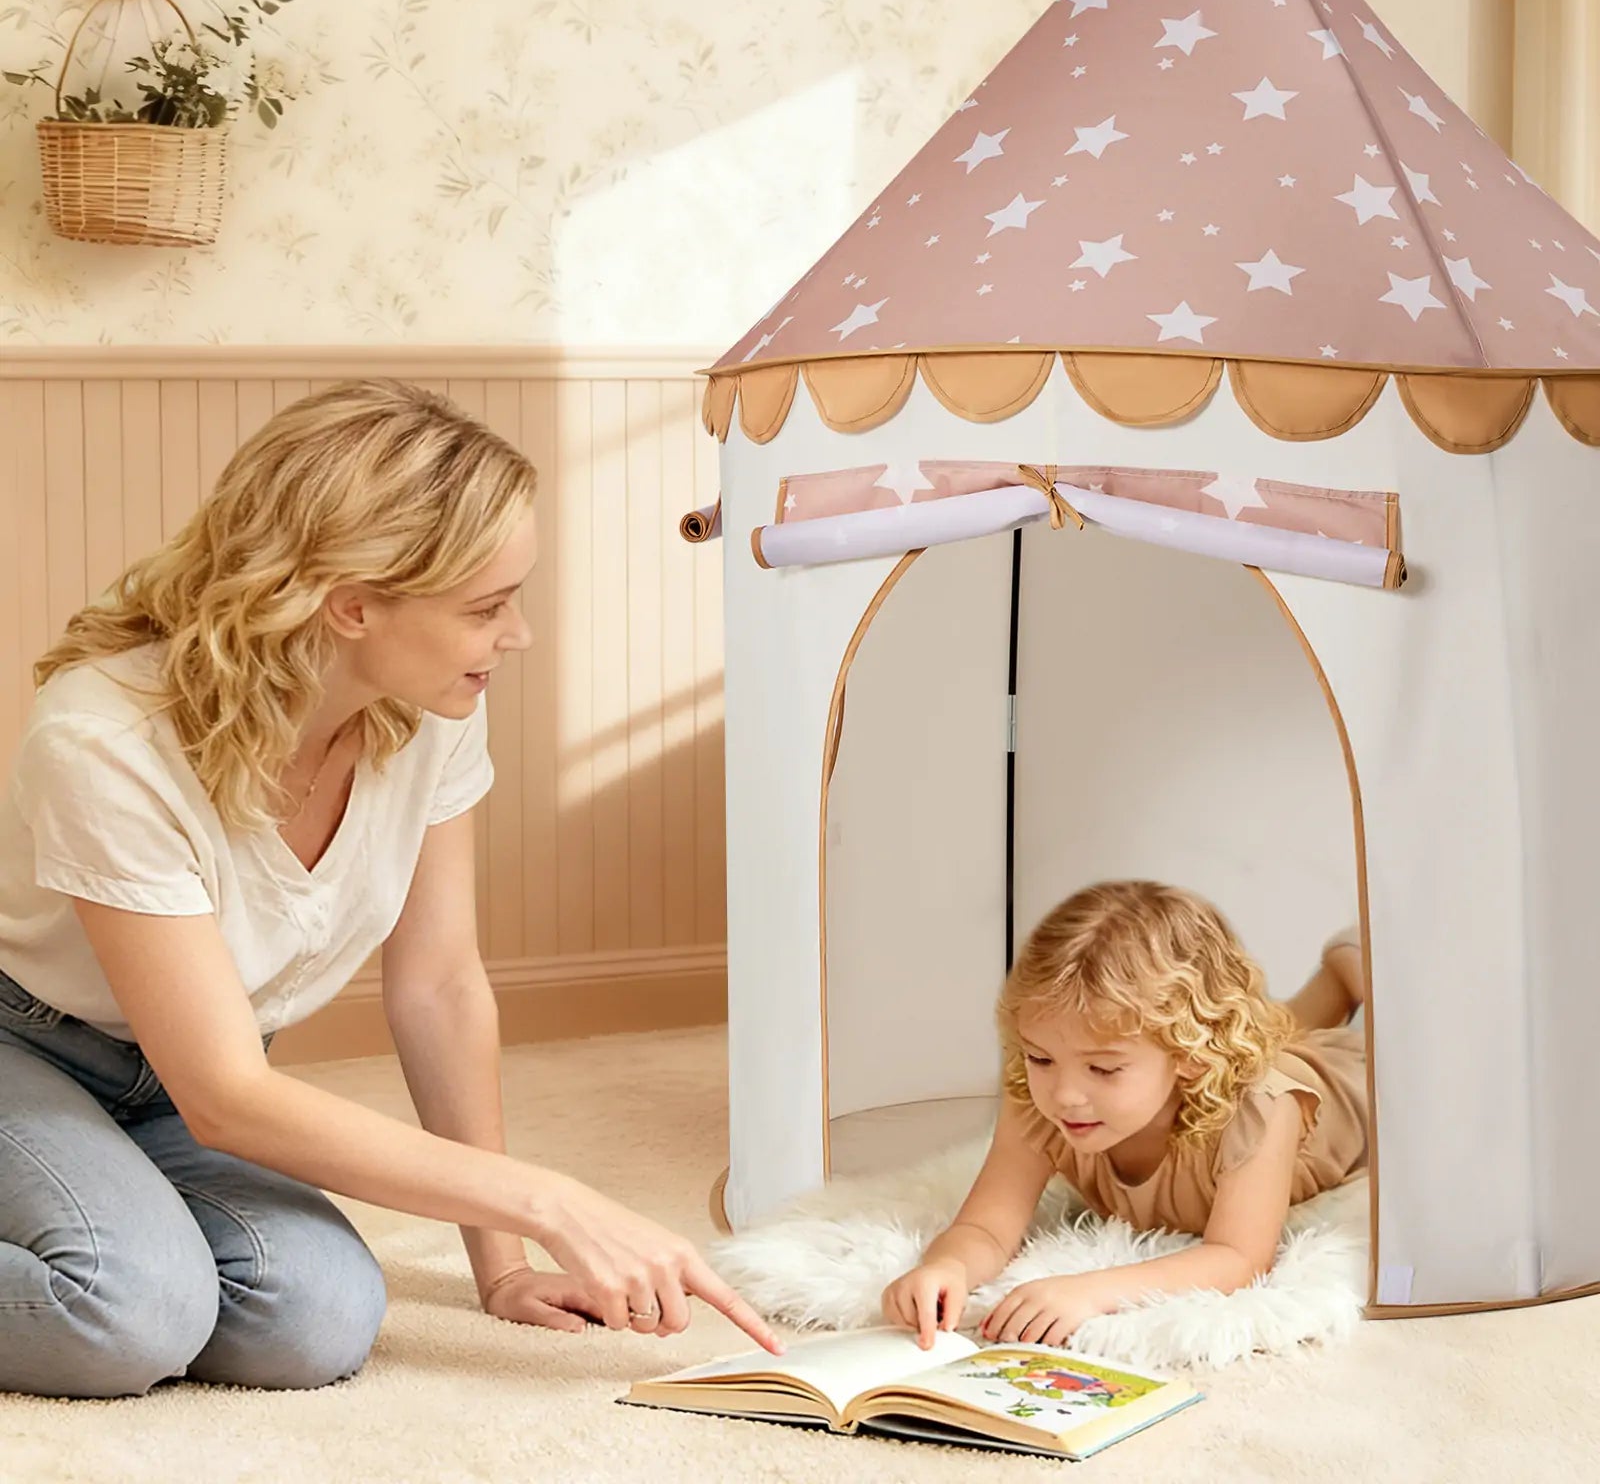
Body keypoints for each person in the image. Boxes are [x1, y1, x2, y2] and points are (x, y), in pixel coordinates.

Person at [0, 379, 780, 1400]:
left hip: (188, 1076)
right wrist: (552, 1199)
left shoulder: (430, 709)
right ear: (352, 603)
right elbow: (228, 1097)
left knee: (312, 1320)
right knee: (130, 1310)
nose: (519, 635)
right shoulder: (105, 740)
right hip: (29, 1044)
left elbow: (440, 983)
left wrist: (500, 1263)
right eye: (487, 607)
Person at [882, 880, 1367, 1349]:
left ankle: (1352, 971)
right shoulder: (1039, 1096)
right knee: (1272, 1030)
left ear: (1189, 1056)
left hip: (1357, 1083)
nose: (1065, 1095)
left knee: (1316, 1047)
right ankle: (1336, 979)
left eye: (1103, 1068)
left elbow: (1238, 1258)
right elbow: (985, 1228)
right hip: (1217, 1056)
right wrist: (947, 1266)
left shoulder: (1264, 1107)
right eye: (1041, 1058)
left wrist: (1090, 1290)